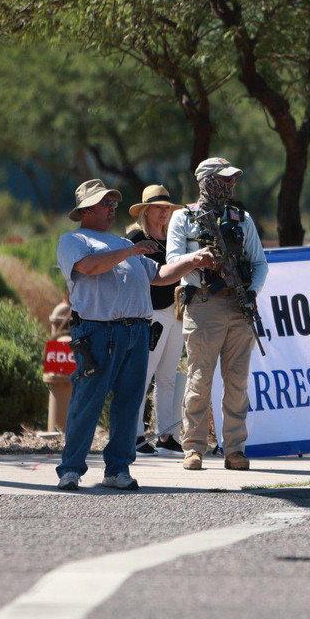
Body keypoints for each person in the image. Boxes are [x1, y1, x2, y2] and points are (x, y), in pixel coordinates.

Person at [55, 179, 215, 491]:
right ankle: (71, 469)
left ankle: (118, 469)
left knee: (129, 404)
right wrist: (130, 250)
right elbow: (89, 267)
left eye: (113, 202)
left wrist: (192, 261)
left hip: (136, 332)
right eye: (105, 203)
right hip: (96, 332)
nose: (112, 207)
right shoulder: (74, 241)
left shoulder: (120, 243)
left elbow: (158, 275)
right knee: (87, 402)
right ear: (86, 211)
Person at [166, 157, 269, 471]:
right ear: (207, 181)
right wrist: (199, 263)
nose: (230, 185)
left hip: (239, 309)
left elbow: (260, 263)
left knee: (237, 383)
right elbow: (172, 262)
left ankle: (234, 450)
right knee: (199, 380)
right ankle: (193, 448)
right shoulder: (183, 219)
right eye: (224, 179)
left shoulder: (242, 218)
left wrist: (250, 293)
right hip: (203, 305)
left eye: (232, 180)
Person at [126, 184, 187, 456]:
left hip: (175, 312)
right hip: (152, 313)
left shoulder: (174, 238)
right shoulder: (136, 238)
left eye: (167, 208)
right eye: (159, 208)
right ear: (146, 210)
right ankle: (135, 433)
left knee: (168, 376)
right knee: (143, 374)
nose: (164, 213)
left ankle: (166, 434)